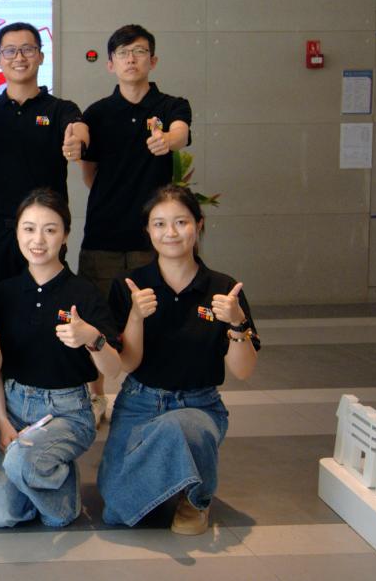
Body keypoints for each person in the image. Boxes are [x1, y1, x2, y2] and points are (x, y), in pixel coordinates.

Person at [99, 185, 260, 536]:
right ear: (147, 230)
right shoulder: (129, 285)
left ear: (198, 225)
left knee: (179, 427)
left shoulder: (223, 288)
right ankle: (175, 473)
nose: (170, 233)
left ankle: (196, 498)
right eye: (159, 224)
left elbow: (243, 369)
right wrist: (136, 316)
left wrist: (236, 323)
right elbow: (126, 364)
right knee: (116, 509)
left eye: (181, 222)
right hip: (139, 402)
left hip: (198, 405)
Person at [0, 189, 122, 528]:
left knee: (27, 472)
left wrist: (92, 338)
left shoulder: (84, 293)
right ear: (17, 233)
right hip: (12, 406)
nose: (38, 240)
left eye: (50, 229)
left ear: (65, 234)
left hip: (66, 412)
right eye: (29, 229)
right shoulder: (3, 294)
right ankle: (44, 471)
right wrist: (3, 420)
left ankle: (56, 494)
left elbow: (114, 369)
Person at [78, 23, 192, 423]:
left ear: (153, 60)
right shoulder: (97, 113)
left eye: (140, 52)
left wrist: (168, 141)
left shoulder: (171, 106)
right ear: (110, 64)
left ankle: (152, 395)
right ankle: (96, 396)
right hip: (103, 235)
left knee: (156, 318)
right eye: (123, 53)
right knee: (97, 318)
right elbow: (89, 173)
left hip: (153, 240)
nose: (132, 59)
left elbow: (180, 133)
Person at [0, 23, 87, 293]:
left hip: (44, 231)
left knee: (48, 303)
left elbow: (77, 128)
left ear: (40, 56)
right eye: (10, 51)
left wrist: (77, 141)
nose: (19, 57)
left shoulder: (60, 109)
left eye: (28, 49)